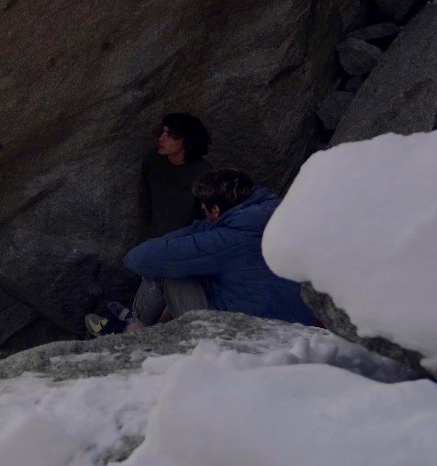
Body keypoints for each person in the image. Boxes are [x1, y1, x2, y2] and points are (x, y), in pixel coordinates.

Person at [121, 169, 315, 325]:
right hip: (299, 321)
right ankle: (156, 326)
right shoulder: (278, 216)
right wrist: (205, 226)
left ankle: (135, 328)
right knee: (198, 269)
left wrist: (202, 228)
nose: (203, 216)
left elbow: (138, 259)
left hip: (246, 331)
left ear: (215, 210)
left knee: (166, 269)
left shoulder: (231, 239)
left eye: (205, 211)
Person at [132, 113, 214, 326]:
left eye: (171, 135)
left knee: (173, 290)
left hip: (185, 249)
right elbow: (145, 199)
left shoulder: (203, 173)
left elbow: (207, 219)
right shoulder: (152, 161)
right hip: (156, 239)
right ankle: (138, 324)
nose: (161, 138)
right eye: (162, 132)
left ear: (186, 141)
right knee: (150, 290)